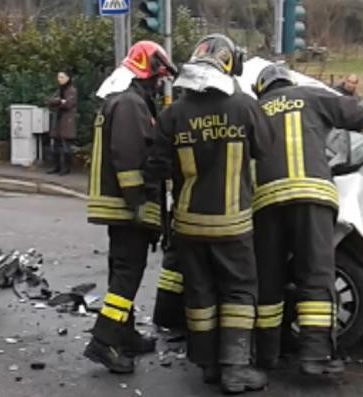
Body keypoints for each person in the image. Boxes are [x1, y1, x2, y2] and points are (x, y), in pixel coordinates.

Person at [249, 63, 363, 375]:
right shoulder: (312, 96)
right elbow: (359, 118)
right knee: (315, 274)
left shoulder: (254, 109)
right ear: (286, 81)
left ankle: (266, 356)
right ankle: (314, 357)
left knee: (269, 281)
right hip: (313, 200)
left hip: (267, 203)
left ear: (262, 88)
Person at [147, 34, 273, 394]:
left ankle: (208, 366)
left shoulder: (174, 113)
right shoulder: (244, 106)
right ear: (229, 63)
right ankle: (236, 369)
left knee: (199, 295)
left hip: (188, 225)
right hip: (233, 224)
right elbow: (265, 148)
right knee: (238, 292)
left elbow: (155, 167)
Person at [82, 40, 178, 374]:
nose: (159, 83)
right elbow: (127, 157)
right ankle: (104, 342)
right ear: (146, 68)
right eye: (158, 76)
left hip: (120, 207)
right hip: (127, 208)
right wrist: (140, 204)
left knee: (123, 271)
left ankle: (125, 332)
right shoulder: (130, 103)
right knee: (126, 276)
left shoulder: (122, 98)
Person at [47, 71, 78, 175]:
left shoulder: (72, 90)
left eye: (61, 77)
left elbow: (68, 104)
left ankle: (66, 168)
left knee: (66, 148)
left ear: (67, 78)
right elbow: (50, 102)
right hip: (57, 121)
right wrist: (60, 101)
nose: (59, 79)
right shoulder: (58, 90)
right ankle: (56, 166)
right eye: (58, 77)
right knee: (55, 147)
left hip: (66, 122)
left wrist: (59, 103)